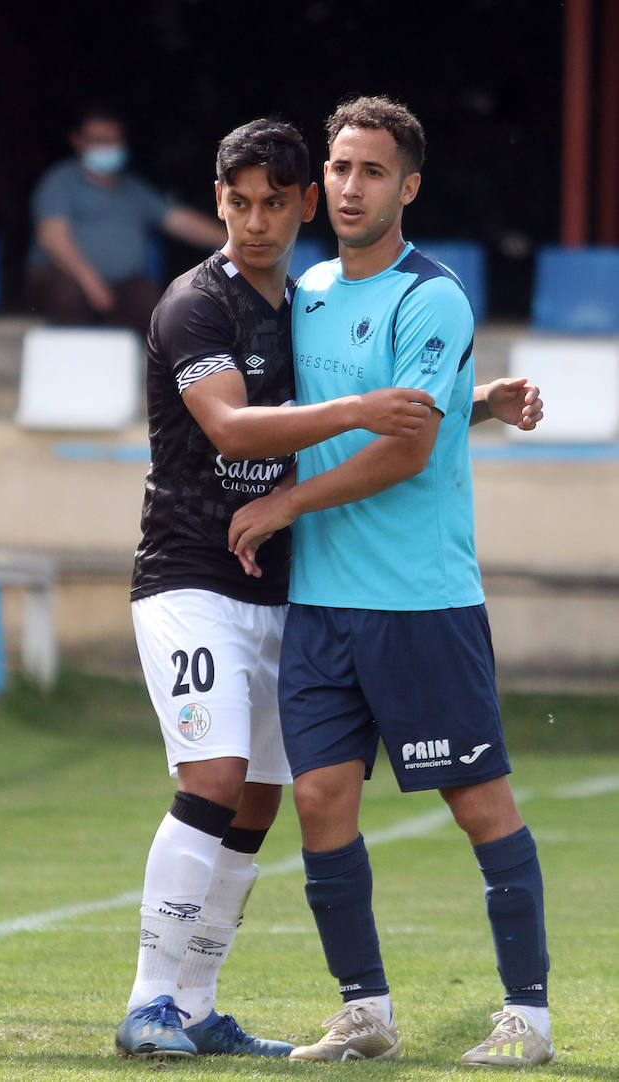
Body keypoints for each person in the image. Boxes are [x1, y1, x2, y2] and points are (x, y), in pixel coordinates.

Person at [228, 96, 552, 1066]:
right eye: (339, 168)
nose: (351, 186)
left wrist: (286, 503)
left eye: (372, 171)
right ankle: (364, 1008)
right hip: (322, 606)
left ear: (408, 185)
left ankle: (528, 1019)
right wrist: (483, 402)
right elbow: (375, 407)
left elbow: (407, 444)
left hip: (419, 601)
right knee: (322, 799)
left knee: (479, 804)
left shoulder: (432, 295)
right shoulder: (308, 289)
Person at [114, 117, 446, 1062]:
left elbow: (390, 391)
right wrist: (353, 410)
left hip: (285, 587)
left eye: (274, 203)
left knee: (260, 799)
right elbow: (230, 427)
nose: (255, 222)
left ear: (305, 206)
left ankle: (199, 1002)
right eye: (238, 202)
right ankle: (148, 1003)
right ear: (217, 201)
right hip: (189, 578)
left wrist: (486, 395)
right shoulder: (194, 305)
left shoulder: (309, 305)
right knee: (213, 779)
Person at [26, 105, 228, 336]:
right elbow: (52, 237)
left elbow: (179, 220)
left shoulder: (134, 188)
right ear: (78, 141)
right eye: (99, 140)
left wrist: (233, 239)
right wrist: (90, 281)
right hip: (67, 278)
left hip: (121, 283)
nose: (107, 147)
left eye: (113, 141)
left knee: (157, 306)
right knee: (69, 295)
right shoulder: (60, 181)